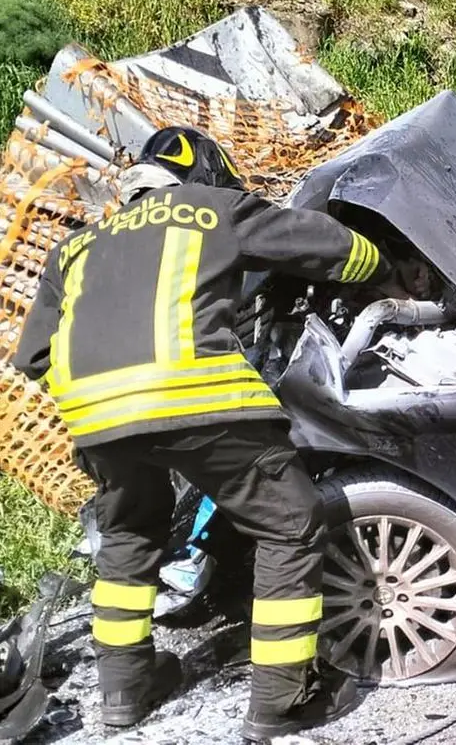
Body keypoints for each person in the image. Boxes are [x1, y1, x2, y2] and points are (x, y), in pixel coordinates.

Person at [12, 126, 394, 741]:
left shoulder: (75, 248)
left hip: (96, 418)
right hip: (196, 399)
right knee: (289, 521)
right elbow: (327, 246)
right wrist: (384, 263)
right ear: (206, 174)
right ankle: (282, 700)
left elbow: (33, 358)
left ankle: (125, 691)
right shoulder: (211, 209)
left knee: (129, 534)